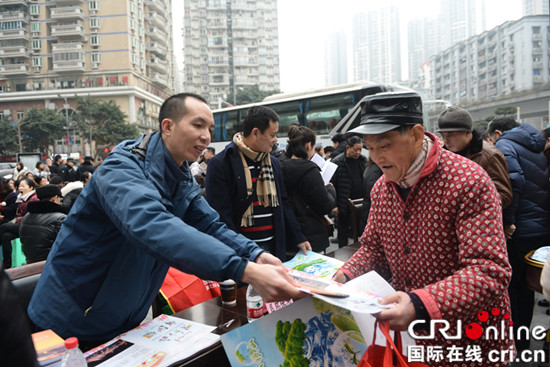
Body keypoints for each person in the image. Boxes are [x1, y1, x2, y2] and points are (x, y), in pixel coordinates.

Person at [28, 93, 302, 345]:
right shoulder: (122, 167)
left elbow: (211, 225)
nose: (206, 136)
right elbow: (153, 225)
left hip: (121, 315)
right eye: (198, 125)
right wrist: (244, 269)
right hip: (69, 317)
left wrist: (254, 254)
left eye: (209, 128)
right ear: (167, 126)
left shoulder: (181, 176)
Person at [333, 92, 513, 366]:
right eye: (371, 147)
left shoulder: (468, 181)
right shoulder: (383, 187)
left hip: (469, 339)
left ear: (417, 134)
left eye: (384, 145)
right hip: (412, 341)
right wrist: (344, 275)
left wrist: (421, 304)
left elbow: (489, 269)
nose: (377, 157)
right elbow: (373, 248)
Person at [206, 106, 311, 261]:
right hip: (241, 251)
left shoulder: (272, 162)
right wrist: (241, 251)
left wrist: (298, 237)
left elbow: (283, 202)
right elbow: (221, 215)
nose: (276, 139)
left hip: (273, 246)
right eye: (273, 135)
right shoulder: (221, 163)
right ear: (256, 133)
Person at [487, 117, 550, 351]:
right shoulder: (537, 143)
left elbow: (513, 184)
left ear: (498, 132)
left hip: (519, 228)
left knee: (512, 286)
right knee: (529, 286)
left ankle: (515, 341)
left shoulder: (506, 145)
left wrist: (508, 222)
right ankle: (523, 337)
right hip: (540, 227)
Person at [437, 106, 513, 208]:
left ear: (467, 132)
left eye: (450, 135)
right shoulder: (442, 155)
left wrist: (471, 204)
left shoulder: (490, 156)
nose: (446, 140)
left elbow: (505, 195)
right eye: (443, 135)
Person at [280, 126, 336, 255]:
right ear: (308, 145)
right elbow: (325, 206)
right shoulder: (309, 169)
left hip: (288, 235)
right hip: (311, 238)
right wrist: (330, 188)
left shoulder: (279, 166)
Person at [330, 136, 365, 248]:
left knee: (360, 229)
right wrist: (334, 204)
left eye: (360, 149)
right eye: (355, 149)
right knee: (343, 231)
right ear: (348, 147)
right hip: (343, 202)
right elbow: (332, 185)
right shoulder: (337, 162)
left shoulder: (362, 160)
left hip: (359, 202)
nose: (358, 152)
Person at [20, 184, 67, 264]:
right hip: (52, 264)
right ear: (54, 198)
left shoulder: (27, 216)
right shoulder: (61, 218)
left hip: (31, 262)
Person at [0, 177, 38, 268]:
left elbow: (30, 216)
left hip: (29, 225)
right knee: (6, 236)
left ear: (31, 188)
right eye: (19, 186)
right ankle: (7, 265)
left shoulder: (34, 199)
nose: (20, 188)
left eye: (23, 186)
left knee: (3, 227)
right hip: (21, 224)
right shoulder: (21, 198)